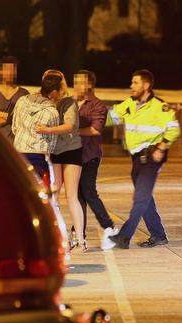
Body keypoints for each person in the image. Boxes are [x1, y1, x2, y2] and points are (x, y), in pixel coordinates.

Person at [103, 69, 180, 250]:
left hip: (152, 157)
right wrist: (88, 112)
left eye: (135, 83)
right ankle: (159, 235)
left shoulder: (160, 107)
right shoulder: (129, 103)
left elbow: (173, 129)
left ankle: (124, 236)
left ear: (146, 85)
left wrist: (161, 147)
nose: (131, 86)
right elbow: (109, 118)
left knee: (140, 198)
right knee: (145, 199)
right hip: (137, 158)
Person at [36, 70, 86, 251]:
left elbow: (69, 126)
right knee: (54, 197)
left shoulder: (68, 102)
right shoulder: (42, 101)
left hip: (71, 150)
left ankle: (81, 240)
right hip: (53, 152)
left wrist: (46, 130)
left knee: (71, 196)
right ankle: (57, 239)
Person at [73, 70, 118, 249]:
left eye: (81, 82)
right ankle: (79, 233)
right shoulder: (71, 103)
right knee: (78, 196)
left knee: (89, 192)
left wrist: (70, 131)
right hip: (73, 155)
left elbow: (95, 130)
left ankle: (109, 227)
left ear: (90, 84)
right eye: (75, 81)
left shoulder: (98, 105)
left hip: (89, 155)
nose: (77, 85)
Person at [11, 73, 62, 180]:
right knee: (33, 188)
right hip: (38, 155)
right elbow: (52, 141)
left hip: (18, 152)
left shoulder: (22, 101)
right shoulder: (52, 112)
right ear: (53, 92)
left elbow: (15, 127)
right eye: (59, 91)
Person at [0, 56, 30, 142]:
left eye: (13, 70)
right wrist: (13, 119)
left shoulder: (24, 94)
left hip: (18, 144)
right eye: (6, 69)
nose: (10, 72)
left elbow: (25, 120)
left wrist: (2, 115)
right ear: (0, 71)